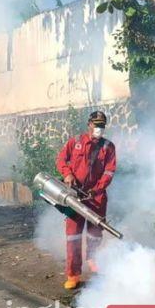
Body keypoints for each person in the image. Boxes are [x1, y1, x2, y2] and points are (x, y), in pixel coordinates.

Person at [55, 110, 117, 290]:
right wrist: (67, 174)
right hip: (74, 196)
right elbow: (61, 159)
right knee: (73, 236)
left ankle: (93, 259)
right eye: (96, 125)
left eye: (102, 125)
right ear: (89, 124)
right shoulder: (75, 142)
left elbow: (109, 171)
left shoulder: (108, 147)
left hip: (96, 197)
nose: (99, 128)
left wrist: (96, 189)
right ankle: (73, 275)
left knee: (95, 233)